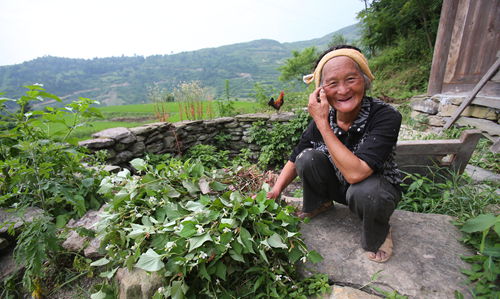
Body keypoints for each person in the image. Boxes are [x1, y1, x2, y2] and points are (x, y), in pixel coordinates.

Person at [267, 45, 403, 263]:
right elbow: (296, 156)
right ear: (321, 90)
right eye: (332, 83)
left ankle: (379, 232)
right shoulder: (324, 119)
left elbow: (356, 174)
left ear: (365, 80)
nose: (342, 90)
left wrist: (322, 123)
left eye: (351, 79)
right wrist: (275, 190)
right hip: (341, 188)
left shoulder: (385, 116)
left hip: (374, 189)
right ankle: (320, 203)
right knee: (307, 157)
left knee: (366, 192)